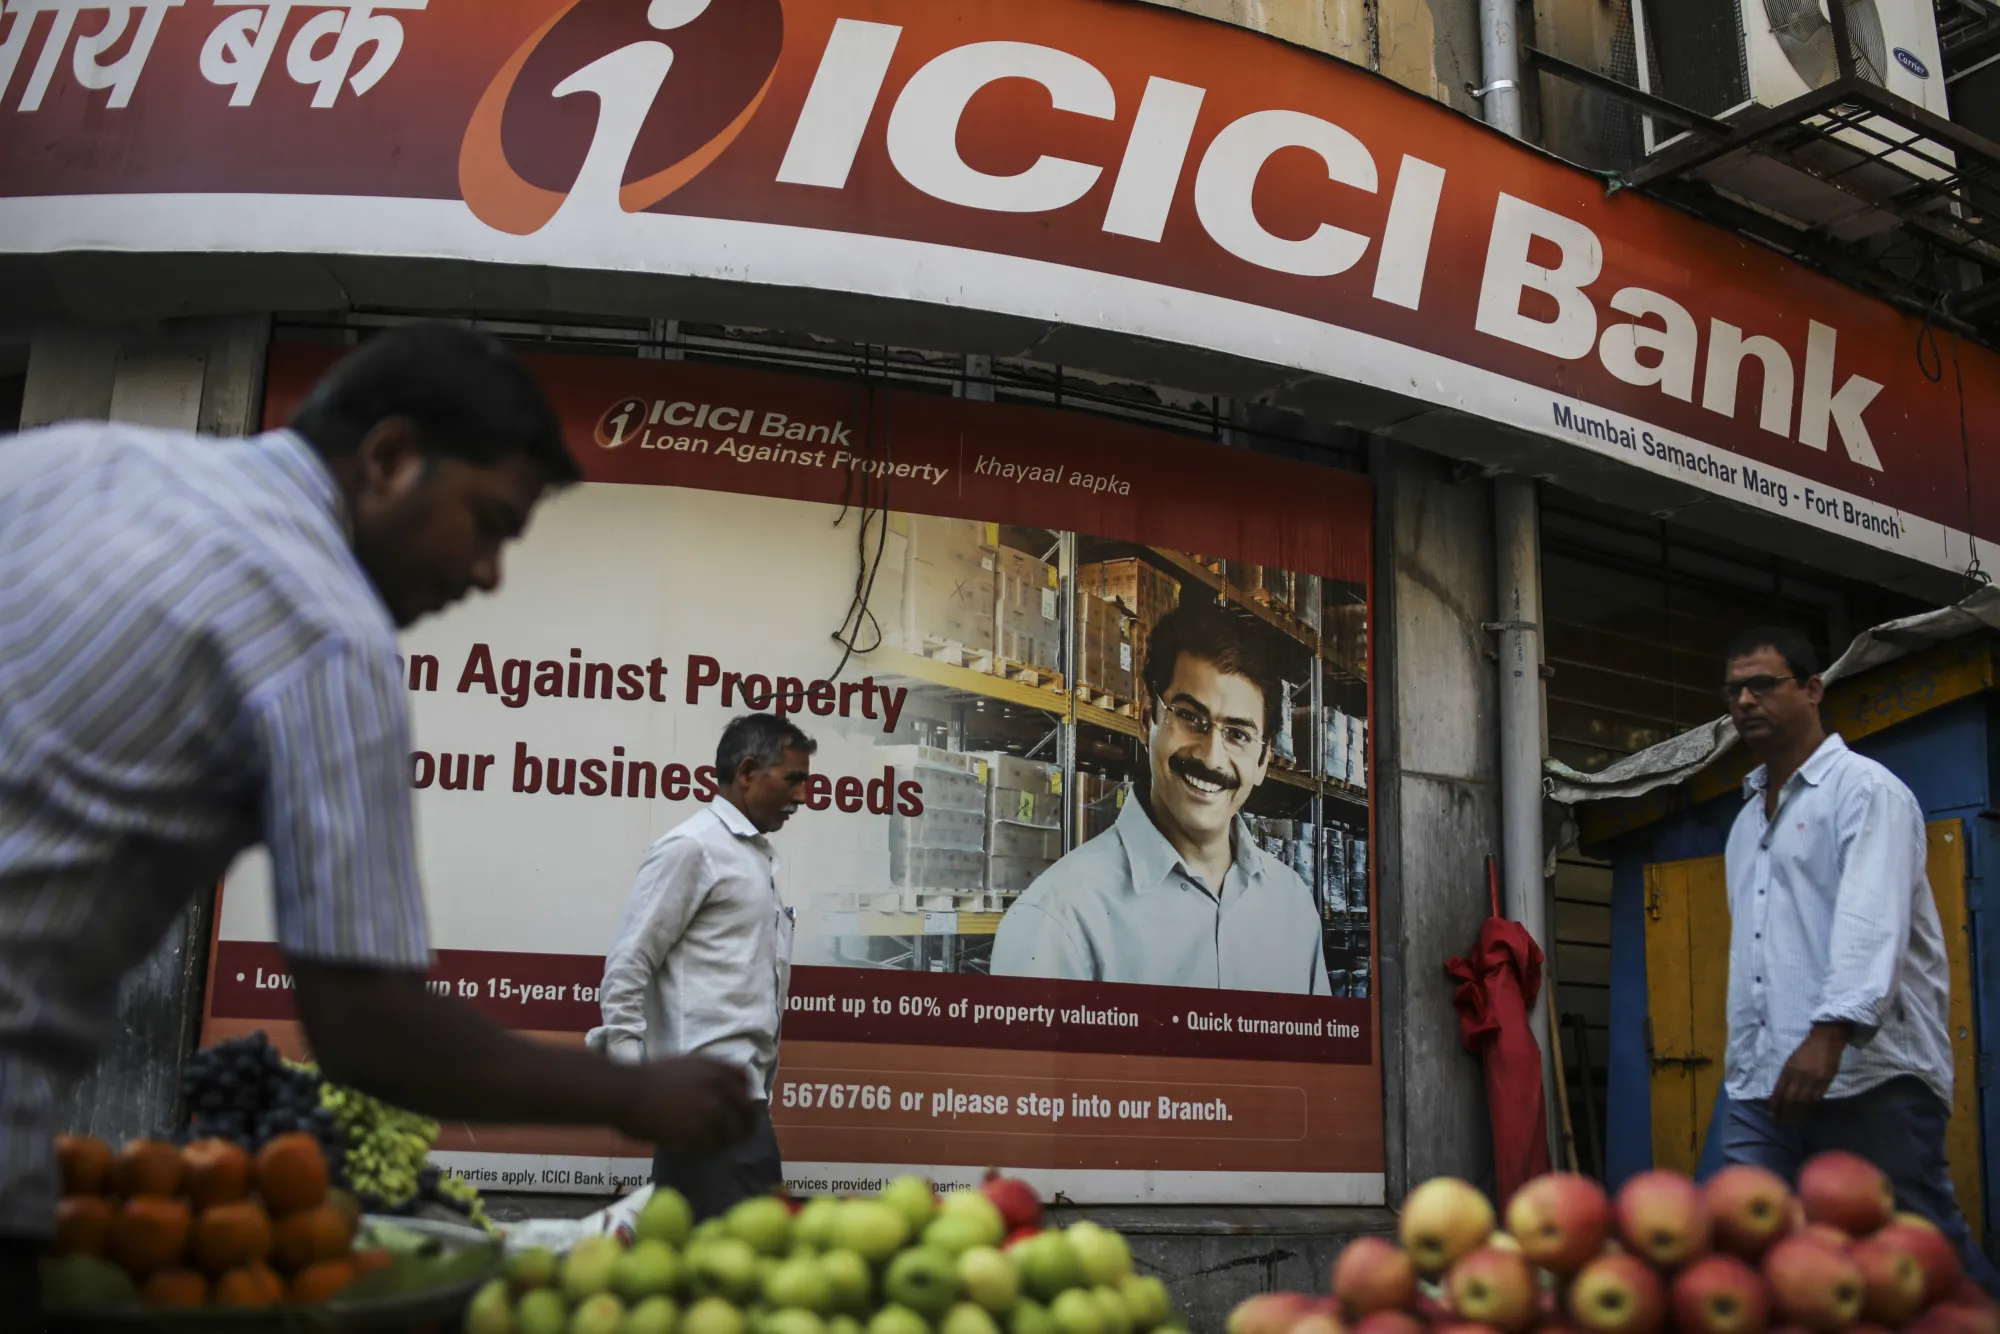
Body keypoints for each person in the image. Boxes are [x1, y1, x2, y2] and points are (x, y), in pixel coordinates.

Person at [0, 325, 753, 1317]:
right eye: (487, 522)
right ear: (390, 457)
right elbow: (369, 1030)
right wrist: (636, 1093)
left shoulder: (68, 461)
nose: (488, 573)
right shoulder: (322, 630)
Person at [1719, 626, 1999, 1296]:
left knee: (1917, 1258)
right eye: (1734, 690)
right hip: (1761, 1080)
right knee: (1753, 1255)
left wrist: (1829, 1033)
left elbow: (1870, 923)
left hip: (1868, 1075)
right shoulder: (1745, 821)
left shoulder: (1866, 792)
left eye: (1764, 684)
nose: (1746, 701)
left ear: (1813, 690)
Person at [992, 600, 1329, 993]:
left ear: (1263, 760)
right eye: (1189, 717)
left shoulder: (1292, 907)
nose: (1211, 756)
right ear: (1145, 716)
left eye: (1237, 734)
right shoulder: (1059, 920)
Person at [588, 714, 816, 1220]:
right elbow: (629, 962)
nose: (801, 797)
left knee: (697, 1256)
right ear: (749, 771)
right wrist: (633, 1079)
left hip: (729, 1098)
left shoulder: (752, 854)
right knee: (750, 1255)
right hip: (709, 1099)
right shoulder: (693, 848)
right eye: (793, 779)